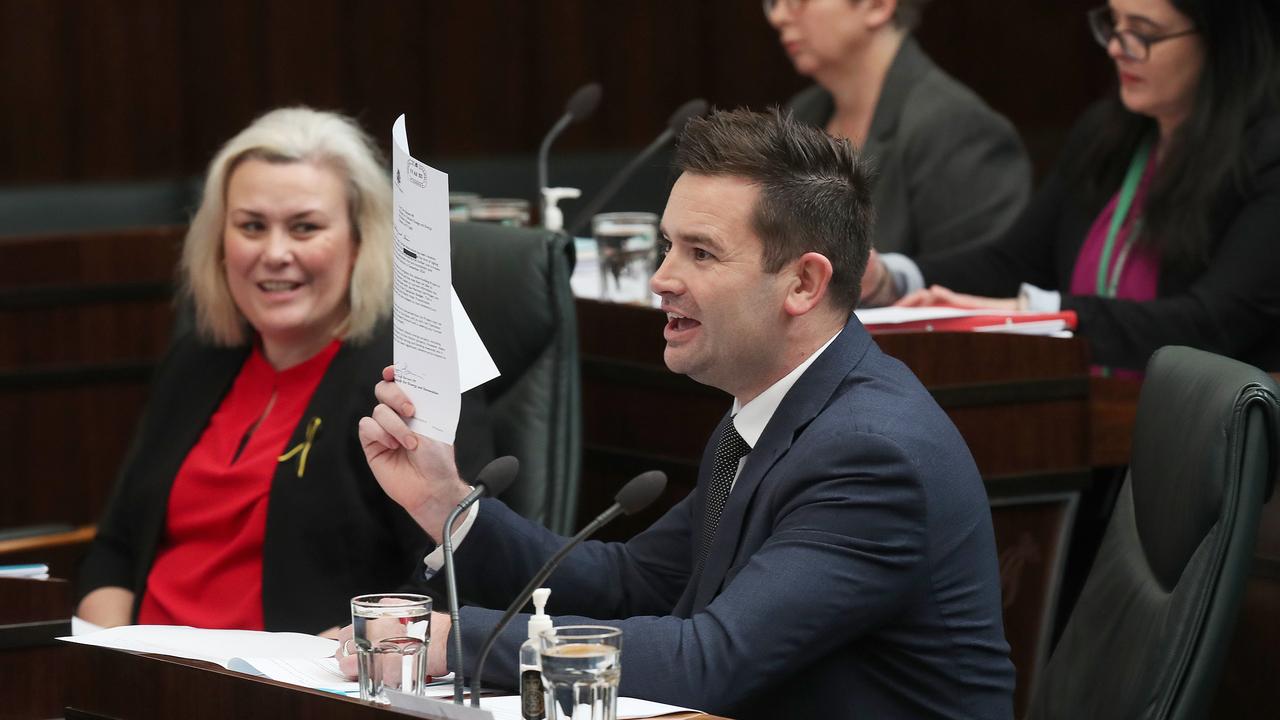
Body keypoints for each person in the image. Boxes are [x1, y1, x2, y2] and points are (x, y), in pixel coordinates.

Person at [347, 109, 1014, 718]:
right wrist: (446, 502)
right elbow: (631, 585)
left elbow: (709, 661)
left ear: (804, 284)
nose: (661, 278)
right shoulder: (769, 416)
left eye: (700, 252)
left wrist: (449, 640)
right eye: (667, 245)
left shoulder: (871, 455)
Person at [76, 108, 493, 634]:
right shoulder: (196, 360)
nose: (275, 253)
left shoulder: (405, 382)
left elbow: (458, 575)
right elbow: (116, 547)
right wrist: (115, 653)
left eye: (305, 228)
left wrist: (336, 653)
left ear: (359, 241)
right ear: (220, 244)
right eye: (252, 226)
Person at [861, 0, 1280, 372]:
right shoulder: (1106, 134)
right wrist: (890, 279)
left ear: (1221, 40)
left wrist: (1040, 313)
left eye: (1143, 33)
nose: (1117, 46)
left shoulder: (1266, 155)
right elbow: (1014, 264)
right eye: (1113, 24)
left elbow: (1213, 323)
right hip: (1088, 421)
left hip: (1211, 440)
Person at [766, 0, 1031, 256]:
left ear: (878, 5)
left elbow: (972, 283)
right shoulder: (800, 113)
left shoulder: (959, 128)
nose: (778, 16)